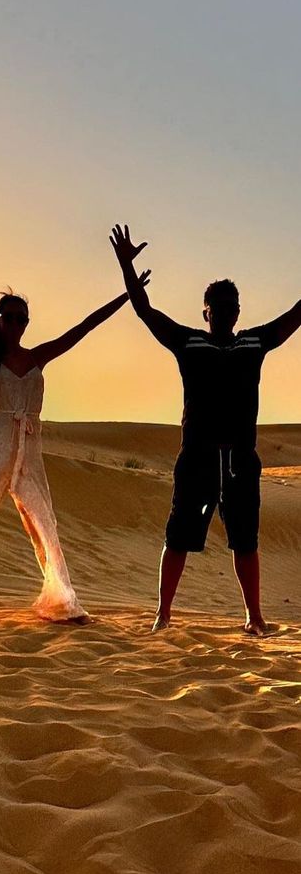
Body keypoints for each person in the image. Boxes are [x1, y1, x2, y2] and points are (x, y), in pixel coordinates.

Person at [0, 223, 147, 623]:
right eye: (9, 317)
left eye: (21, 318)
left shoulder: (39, 355)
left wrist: (129, 291)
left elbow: (85, 327)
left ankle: (61, 600)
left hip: (29, 445)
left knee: (45, 521)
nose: (15, 323)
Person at [110, 223, 301, 635]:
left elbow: (295, 316)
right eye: (217, 306)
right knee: (179, 535)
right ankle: (163, 614)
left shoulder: (253, 343)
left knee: (245, 540)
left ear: (238, 311)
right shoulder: (189, 342)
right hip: (196, 458)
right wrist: (127, 265)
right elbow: (144, 310)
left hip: (240, 461)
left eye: (232, 306)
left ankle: (255, 617)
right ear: (206, 312)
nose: (225, 312)